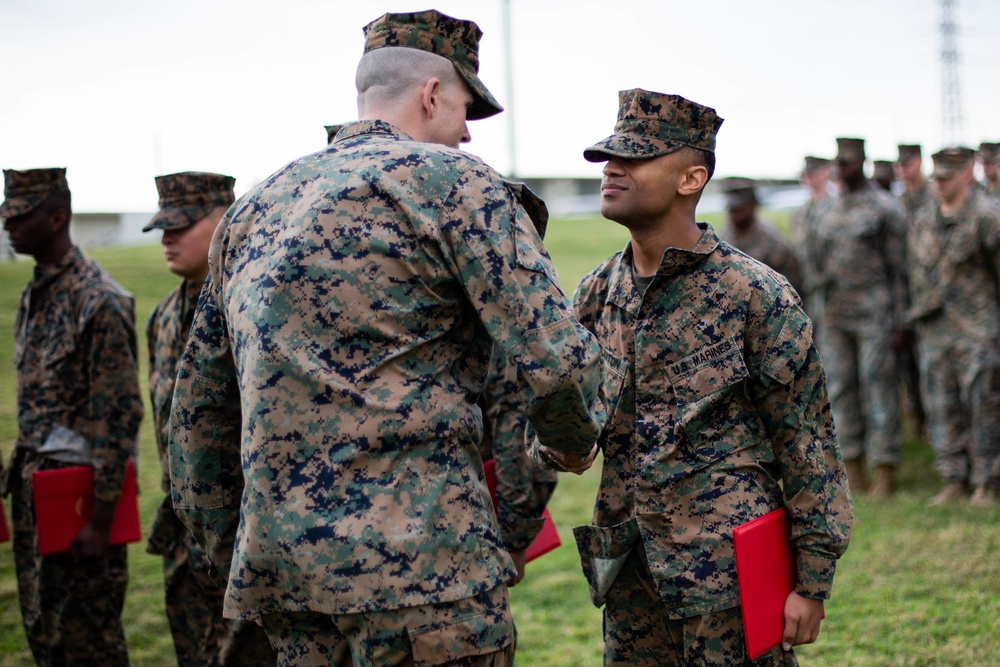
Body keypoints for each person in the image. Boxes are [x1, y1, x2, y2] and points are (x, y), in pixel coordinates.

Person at [167, 9, 606, 666]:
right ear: (432, 93)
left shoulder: (255, 208)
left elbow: (198, 409)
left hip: (288, 577)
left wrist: (229, 543)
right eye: (465, 109)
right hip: (424, 570)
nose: (464, 131)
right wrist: (573, 443)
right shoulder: (458, 184)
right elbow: (556, 361)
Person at [538, 88, 853, 666]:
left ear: (691, 178)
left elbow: (807, 444)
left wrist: (812, 581)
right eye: (610, 157)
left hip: (727, 576)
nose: (611, 169)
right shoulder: (595, 295)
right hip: (631, 570)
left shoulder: (755, 294)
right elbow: (569, 434)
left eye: (634, 159)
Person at [0, 167, 144, 666]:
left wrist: (102, 518)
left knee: (89, 642)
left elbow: (120, 415)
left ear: (57, 216)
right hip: (34, 492)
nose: (6, 224)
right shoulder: (35, 293)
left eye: (19, 215)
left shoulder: (99, 300)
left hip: (80, 501)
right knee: (44, 631)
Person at [142, 172, 276, 666]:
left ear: (223, 221)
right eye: (161, 227)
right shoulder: (161, 317)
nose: (166, 239)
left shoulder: (256, 308)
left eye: (180, 225)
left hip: (244, 536)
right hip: (184, 535)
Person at [907, 147, 1000, 507]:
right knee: (941, 403)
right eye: (937, 178)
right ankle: (953, 478)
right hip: (935, 327)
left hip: (978, 327)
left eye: (947, 178)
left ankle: (988, 482)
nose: (940, 184)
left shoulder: (986, 218)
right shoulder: (924, 218)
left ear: (966, 174)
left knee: (984, 404)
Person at [816, 137, 908, 497]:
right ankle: (853, 466)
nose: (842, 168)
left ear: (863, 163)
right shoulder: (826, 210)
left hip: (875, 314)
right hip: (836, 315)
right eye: (838, 162)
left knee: (878, 387)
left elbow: (899, 269)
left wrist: (901, 321)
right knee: (840, 388)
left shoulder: (885, 209)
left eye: (849, 162)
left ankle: (885, 467)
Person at [894, 143, 931, 440]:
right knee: (910, 365)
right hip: (906, 293)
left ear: (918, 162)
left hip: (931, 295)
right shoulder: (898, 203)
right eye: (900, 165)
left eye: (907, 164)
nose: (903, 170)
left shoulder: (934, 197)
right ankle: (918, 417)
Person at [718, 176, 805, 297]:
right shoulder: (721, 238)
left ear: (752, 205)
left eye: (738, 209)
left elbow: (792, 287)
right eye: (731, 209)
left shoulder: (773, 241)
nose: (733, 214)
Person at [792, 156, 834, 331]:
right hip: (808, 287)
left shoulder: (835, 207)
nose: (809, 179)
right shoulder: (802, 213)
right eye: (806, 175)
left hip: (833, 291)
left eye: (813, 174)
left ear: (825, 173)